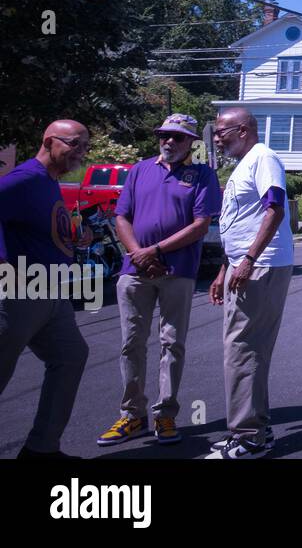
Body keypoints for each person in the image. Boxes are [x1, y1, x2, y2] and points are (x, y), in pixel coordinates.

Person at [96, 114, 220, 447]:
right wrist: (138, 253)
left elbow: (200, 224)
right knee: (131, 343)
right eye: (164, 135)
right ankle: (131, 415)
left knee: (172, 344)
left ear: (191, 142)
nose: (169, 142)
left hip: (176, 272)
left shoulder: (203, 175)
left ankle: (165, 414)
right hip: (134, 272)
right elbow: (122, 216)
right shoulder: (139, 170)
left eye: (178, 138)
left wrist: (156, 251)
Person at [0, 120, 93, 459]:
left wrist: (76, 235)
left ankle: (41, 450)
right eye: (74, 145)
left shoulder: (50, 182)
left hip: (51, 293)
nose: (80, 153)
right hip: (19, 291)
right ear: (50, 141)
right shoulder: (24, 179)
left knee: (70, 356)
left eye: (84, 148)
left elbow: (42, 229)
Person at [206, 108, 291, 459]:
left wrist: (249, 260)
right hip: (247, 266)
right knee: (250, 348)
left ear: (242, 130)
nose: (215, 138)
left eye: (221, 131)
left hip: (260, 268)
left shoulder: (263, 158)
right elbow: (242, 221)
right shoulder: (245, 163)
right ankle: (257, 428)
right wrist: (225, 268)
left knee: (241, 349)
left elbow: (275, 208)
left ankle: (247, 438)